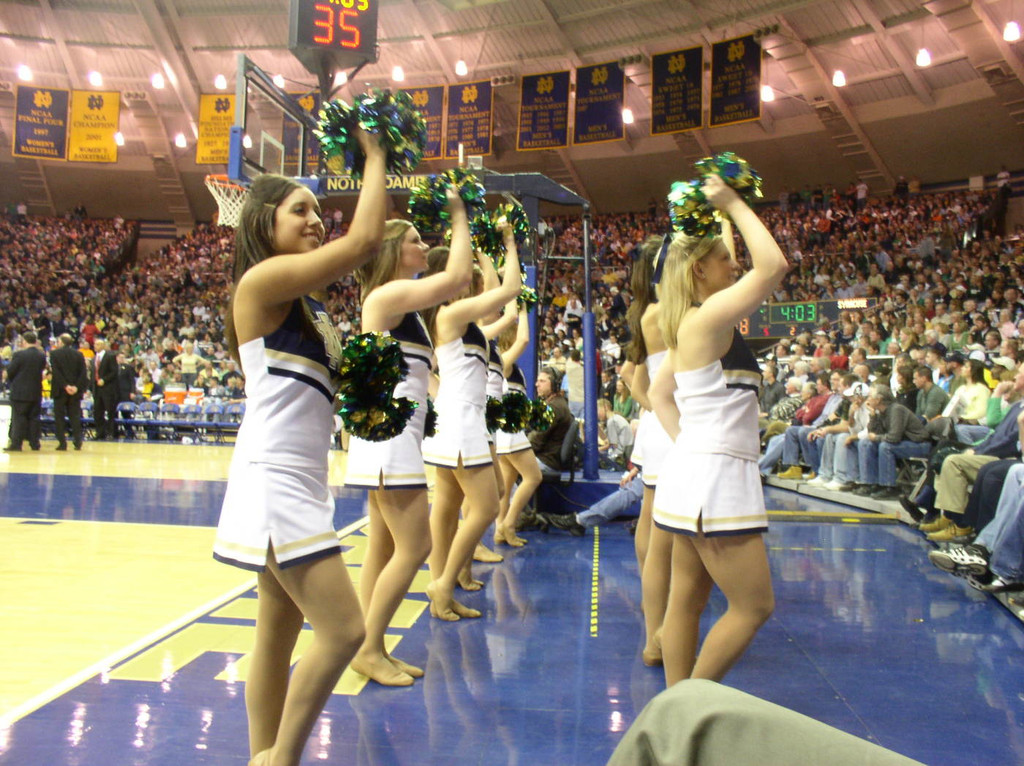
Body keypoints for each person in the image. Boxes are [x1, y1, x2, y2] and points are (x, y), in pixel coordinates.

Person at [211, 127, 386, 766]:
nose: (316, 219)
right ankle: (280, 758)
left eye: (318, 210)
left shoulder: (311, 310)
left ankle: (262, 752)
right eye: (301, 211)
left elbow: (340, 397)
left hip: (300, 477)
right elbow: (364, 241)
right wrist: (375, 156)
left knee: (277, 633)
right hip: (274, 477)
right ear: (263, 223)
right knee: (346, 631)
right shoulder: (261, 284)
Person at [648, 173, 788, 686]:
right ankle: (690, 707)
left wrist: (689, 446)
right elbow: (773, 265)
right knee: (754, 606)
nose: (735, 264)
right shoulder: (705, 321)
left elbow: (662, 394)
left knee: (687, 600)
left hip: (695, 472)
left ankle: (673, 715)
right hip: (717, 479)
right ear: (700, 269)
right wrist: (730, 200)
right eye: (725, 259)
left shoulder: (690, 323)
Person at [343, 196, 474, 683]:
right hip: (389, 438)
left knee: (381, 545)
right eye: (416, 240)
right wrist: (460, 213)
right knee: (416, 547)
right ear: (394, 250)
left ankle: (367, 644)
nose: (425, 245)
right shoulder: (385, 297)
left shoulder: (405, 306)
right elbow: (457, 278)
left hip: (394, 435)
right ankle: (369, 649)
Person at [421, 223, 521, 621]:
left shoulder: (469, 322)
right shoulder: (450, 313)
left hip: (460, 420)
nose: (474, 279)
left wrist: (482, 247)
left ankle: (445, 581)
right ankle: (442, 584)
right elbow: (508, 290)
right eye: (466, 272)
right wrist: (511, 243)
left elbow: (497, 294)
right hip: (460, 423)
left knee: (447, 508)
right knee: (484, 507)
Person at [494, 306, 542, 548]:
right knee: (534, 476)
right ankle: (509, 523)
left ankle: (500, 528)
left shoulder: (514, 368)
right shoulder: (504, 363)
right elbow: (524, 339)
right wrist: (522, 311)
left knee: (508, 481)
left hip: (508, 431)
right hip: (509, 431)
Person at [4, 331, 46, 452]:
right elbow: (41, 369)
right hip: (36, 390)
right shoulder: (41, 355)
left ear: (24, 341)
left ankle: (17, 444)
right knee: (34, 418)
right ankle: (34, 443)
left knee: (19, 417)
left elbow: (11, 371)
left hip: (20, 392)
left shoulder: (19, 355)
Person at [49, 332, 88, 450]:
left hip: (60, 390)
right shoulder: (79, 354)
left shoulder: (54, 354)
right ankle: (77, 441)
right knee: (75, 416)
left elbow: (56, 372)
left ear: (61, 342)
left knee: (59, 417)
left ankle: (62, 443)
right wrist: (76, 386)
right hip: (75, 392)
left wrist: (65, 386)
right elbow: (83, 373)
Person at [92, 337, 118, 440]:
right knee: (97, 412)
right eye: (94, 344)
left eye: (97, 344)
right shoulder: (94, 358)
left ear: (103, 346)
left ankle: (111, 433)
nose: (95, 346)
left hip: (108, 389)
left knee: (110, 412)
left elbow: (114, 371)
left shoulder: (110, 356)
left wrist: (104, 380)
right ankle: (99, 433)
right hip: (97, 389)